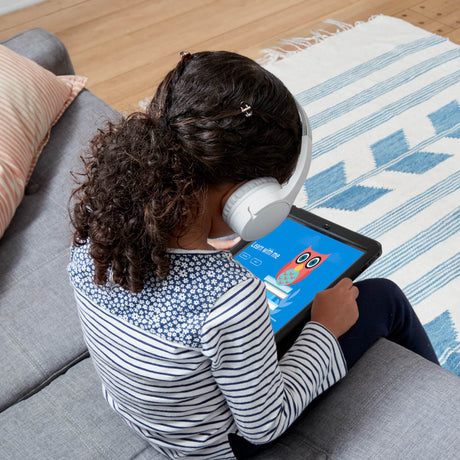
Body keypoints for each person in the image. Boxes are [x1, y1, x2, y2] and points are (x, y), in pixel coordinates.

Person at [67, 51, 438, 460]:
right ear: (249, 201)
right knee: (383, 297)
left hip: (151, 417)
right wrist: (324, 329)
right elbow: (264, 424)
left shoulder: (96, 230)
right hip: (217, 448)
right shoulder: (230, 296)